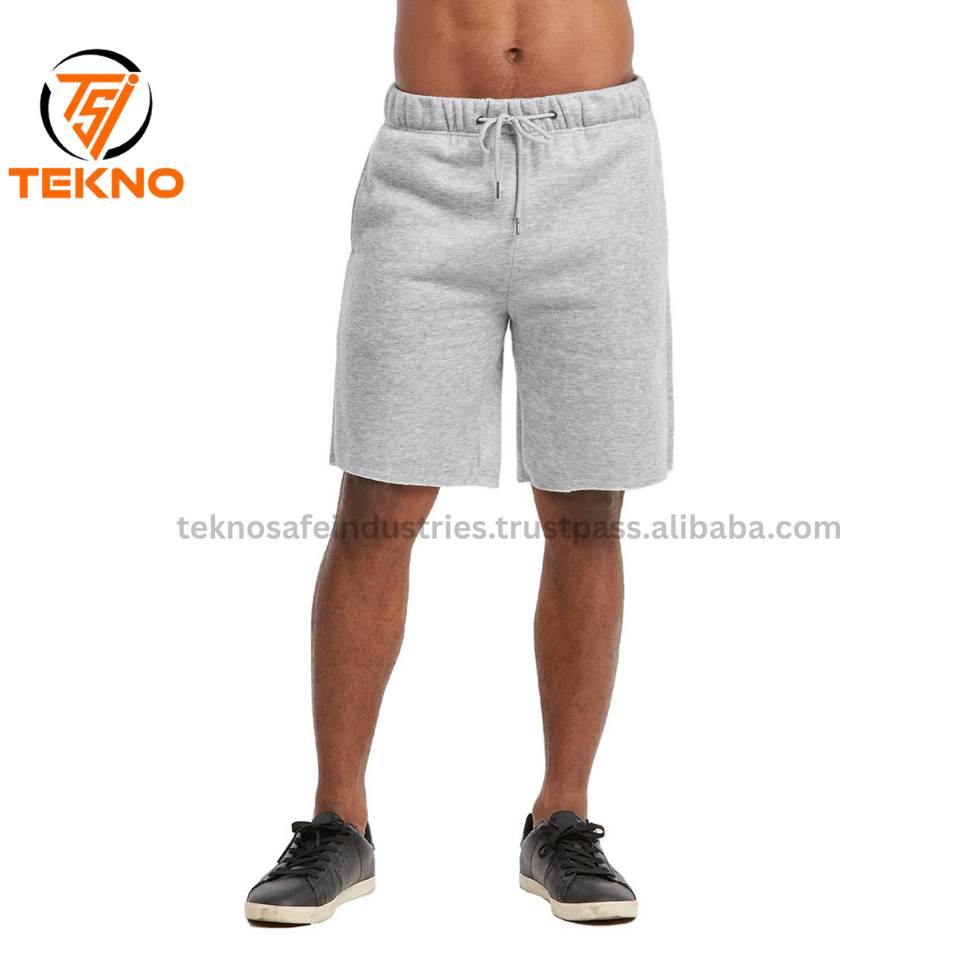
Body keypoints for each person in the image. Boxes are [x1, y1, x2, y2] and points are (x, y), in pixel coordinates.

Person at [245, 0, 672, 925]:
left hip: (599, 163)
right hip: (428, 162)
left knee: (585, 506)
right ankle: (338, 824)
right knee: (377, 502)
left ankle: (562, 820)